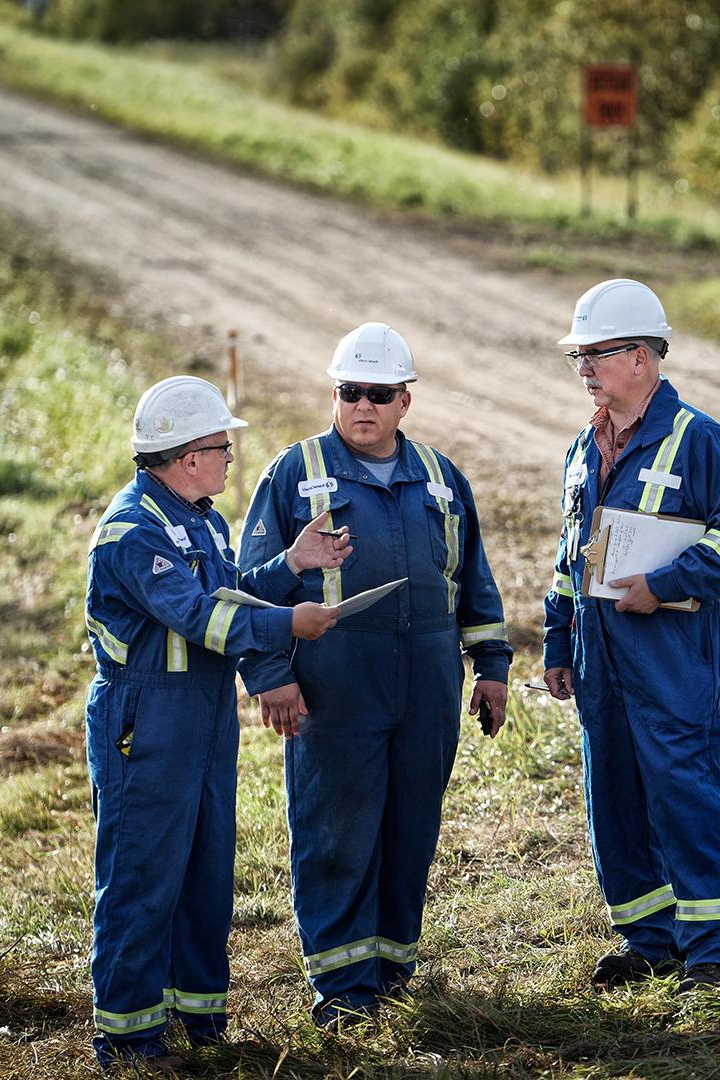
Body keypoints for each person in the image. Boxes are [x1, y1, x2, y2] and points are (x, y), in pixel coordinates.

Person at [236, 322, 512, 1025]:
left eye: (379, 394)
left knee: (409, 823)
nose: (363, 406)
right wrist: (270, 674)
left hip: (428, 681)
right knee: (335, 827)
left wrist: (492, 667)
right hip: (334, 683)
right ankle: (341, 986)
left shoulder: (443, 479)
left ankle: (390, 968)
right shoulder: (293, 472)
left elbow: (472, 581)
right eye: (350, 392)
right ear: (334, 394)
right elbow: (249, 589)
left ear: (404, 402)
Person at [83, 375, 351, 1070]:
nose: (231, 456)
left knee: (204, 868)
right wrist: (291, 621)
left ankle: (197, 1019)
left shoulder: (199, 517)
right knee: (143, 873)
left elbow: (228, 593)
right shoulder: (133, 531)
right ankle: (130, 1039)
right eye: (220, 446)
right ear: (185, 456)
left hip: (201, 715)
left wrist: (292, 565)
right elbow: (202, 618)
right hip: (146, 719)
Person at [539, 279, 720, 993]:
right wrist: (556, 638)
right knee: (615, 801)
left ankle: (715, 951)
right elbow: (570, 553)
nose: (583, 370)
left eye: (594, 355)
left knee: (683, 795)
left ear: (640, 356)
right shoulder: (583, 445)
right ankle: (651, 940)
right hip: (598, 658)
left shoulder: (697, 438)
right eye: (577, 358)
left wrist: (664, 585)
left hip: (669, 657)